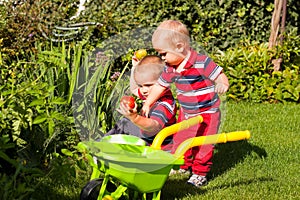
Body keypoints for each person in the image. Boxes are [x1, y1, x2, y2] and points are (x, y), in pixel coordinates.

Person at [141, 20, 229, 187]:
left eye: (164, 53)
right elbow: (160, 86)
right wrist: (148, 103)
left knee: (204, 144)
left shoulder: (202, 62)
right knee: (182, 139)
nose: (162, 58)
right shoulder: (170, 68)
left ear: (180, 47)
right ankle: (182, 164)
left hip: (208, 113)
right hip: (187, 112)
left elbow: (219, 74)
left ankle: (199, 173)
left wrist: (222, 84)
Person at [106, 55, 177, 150]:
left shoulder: (163, 104)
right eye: (141, 85)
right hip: (148, 138)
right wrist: (134, 67)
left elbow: (153, 127)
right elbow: (135, 89)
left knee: (125, 124)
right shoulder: (150, 95)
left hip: (157, 146)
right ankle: (103, 147)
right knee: (124, 124)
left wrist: (135, 118)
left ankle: (100, 149)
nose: (143, 90)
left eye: (148, 85)